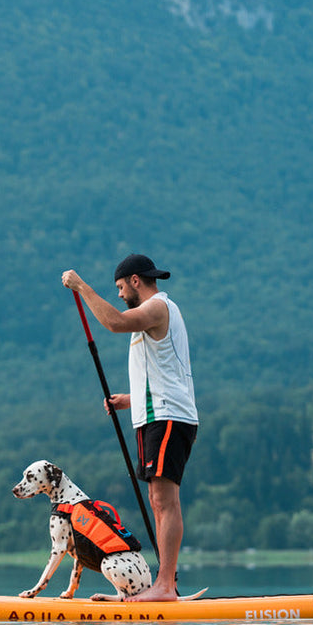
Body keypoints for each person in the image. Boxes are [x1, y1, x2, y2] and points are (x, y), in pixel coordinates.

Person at [62, 254, 198, 602]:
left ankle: (166, 586)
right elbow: (161, 372)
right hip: (155, 414)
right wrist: (130, 399)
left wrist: (82, 287)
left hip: (169, 417)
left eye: (121, 287)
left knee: (165, 501)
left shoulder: (157, 308)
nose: (120, 294)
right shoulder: (153, 314)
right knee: (157, 499)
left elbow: (115, 322)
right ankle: (162, 586)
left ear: (136, 280)